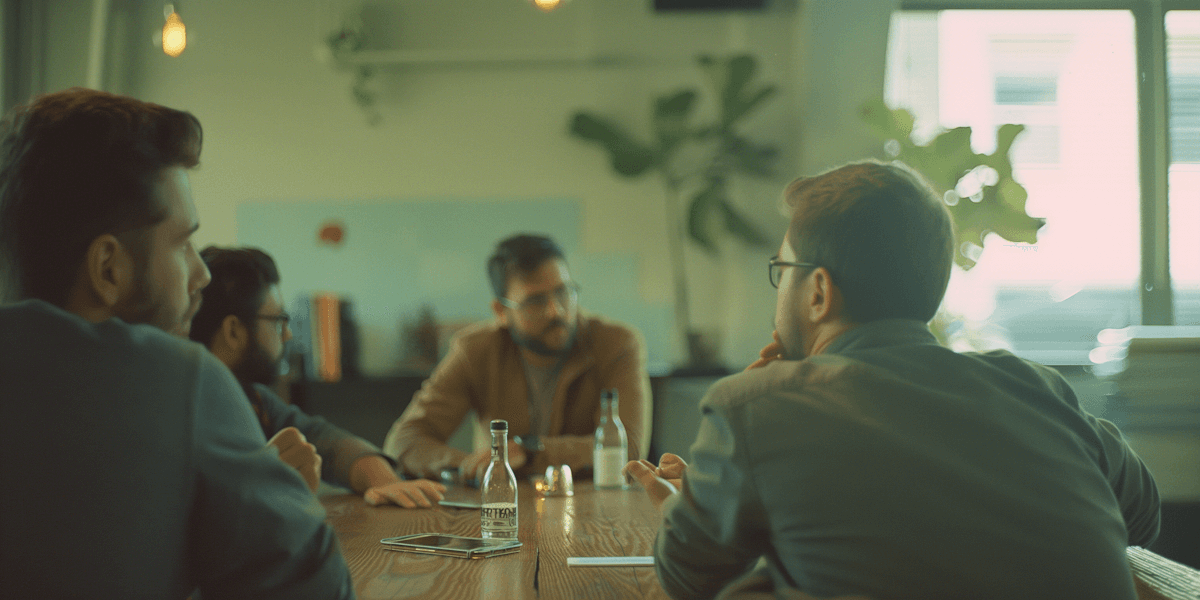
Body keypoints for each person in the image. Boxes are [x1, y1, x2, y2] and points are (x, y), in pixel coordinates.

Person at [625, 161, 1161, 600]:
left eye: (780, 268)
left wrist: (687, 508)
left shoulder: (755, 406)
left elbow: (680, 585)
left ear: (817, 291)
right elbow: (1142, 515)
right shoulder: (1036, 388)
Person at [0, 88, 353, 599]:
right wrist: (277, 506)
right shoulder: (181, 379)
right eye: (182, 243)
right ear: (108, 269)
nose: (201, 273)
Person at [383, 233, 652, 483]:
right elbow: (403, 441)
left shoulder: (617, 344)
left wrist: (531, 452)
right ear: (500, 310)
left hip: (594, 511)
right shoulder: (476, 350)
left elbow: (629, 448)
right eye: (535, 302)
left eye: (563, 292)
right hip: (504, 510)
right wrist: (470, 465)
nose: (555, 311)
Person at [190, 245, 446, 507]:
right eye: (278, 319)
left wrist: (386, 482)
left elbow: (326, 440)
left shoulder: (252, 399)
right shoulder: (182, 411)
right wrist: (263, 490)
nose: (287, 335)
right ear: (233, 331)